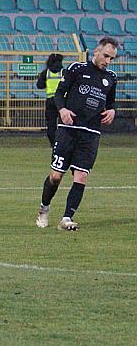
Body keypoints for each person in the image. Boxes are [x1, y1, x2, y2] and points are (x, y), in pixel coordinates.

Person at [35, 37, 118, 231]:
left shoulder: (111, 78)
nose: (108, 61)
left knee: (81, 176)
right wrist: (62, 110)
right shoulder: (76, 69)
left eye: (112, 58)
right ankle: (44, 208)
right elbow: (58, 93)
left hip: (91, 134)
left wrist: (113, 111)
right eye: (106, 56)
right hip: (68, 131)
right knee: (56, 176)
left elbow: (111, 103)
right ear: (95, 52)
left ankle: (66, 219)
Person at [35, 53, 64, 148]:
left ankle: (53, 143)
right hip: (62, 101)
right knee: (64, 123)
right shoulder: (63, 72)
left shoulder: (46, 72)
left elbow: (39, 85)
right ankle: (63, 142)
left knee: (51, 124)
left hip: (50, 100)